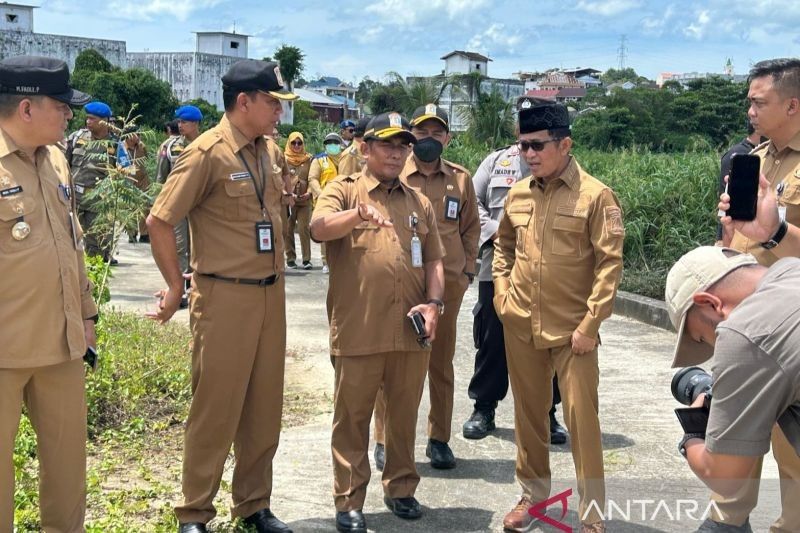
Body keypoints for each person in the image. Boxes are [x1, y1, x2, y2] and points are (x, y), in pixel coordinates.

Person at [146, 59, 298, 533]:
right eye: (272, 102)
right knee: (215, 408)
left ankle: (254, 504)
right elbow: (159, 221)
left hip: (271, 297)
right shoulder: (205, 153)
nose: (279, 112)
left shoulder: (268, 152)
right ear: (244, 102)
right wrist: (177, 286)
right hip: (224, 297)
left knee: (263, 407)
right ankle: (195, 512)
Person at [310, 111, 445, 533]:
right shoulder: (342, 190)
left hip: (409, 329)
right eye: (386, 144)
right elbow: (317, 228)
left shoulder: (417, 200)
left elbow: (436, 258)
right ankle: (349, 501)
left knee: (403, 416)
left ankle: (401, 489)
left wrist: (435, 304)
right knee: (352, 418)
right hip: (359, 328)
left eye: (403, 145)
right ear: (365, 148)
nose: (396, 152)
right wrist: (358, 216)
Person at [494, 102, 624, 533]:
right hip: (521, 323)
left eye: (537, 145)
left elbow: (610, 265)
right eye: (522, 146)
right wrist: (501, 295)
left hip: (574, 332)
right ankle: (533, 497)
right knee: (529, 418)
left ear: (565, 144)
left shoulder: (595, 195)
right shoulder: (517, 193)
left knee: (581, 421)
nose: (528, 154)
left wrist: (591, 325)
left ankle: (592, 515)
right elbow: (502, 248)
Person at [0, 55, 97, 532]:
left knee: (67, 470)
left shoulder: (55, 159)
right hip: (4, 349)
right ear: (26, 109)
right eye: (60, 106)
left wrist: (87, 315)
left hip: (61, 345)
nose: (69, 114)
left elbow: (71, 243)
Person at [713, 57, 800, 533]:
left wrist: (775, 232)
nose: (749, 109)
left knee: (792, 452)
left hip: (790, 336)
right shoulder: (757, 159)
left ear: (792, 104)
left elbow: (774, 234)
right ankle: (729, 520)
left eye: (758, 101)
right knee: (734, 438)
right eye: (748, 100)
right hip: (744, 328)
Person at [370, 104, 478, 471]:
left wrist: (467, 271)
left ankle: (438, 439)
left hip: (446, 289)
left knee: (440, 365)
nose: (429, 140)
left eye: (437, 133)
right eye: (422, 133)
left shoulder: (461, 180)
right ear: (410, 137)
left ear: (447, 138)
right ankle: (384, 438)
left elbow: (470, 229)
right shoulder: (397, 174)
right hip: (401, 284)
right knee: (391, 364)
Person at [464, 95, 568, 443]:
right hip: (498, 268)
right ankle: (484, 407)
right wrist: (500, 234)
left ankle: (547, 413)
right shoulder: (496, 163)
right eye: (522, 124)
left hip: (547, 273)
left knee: (546, 340)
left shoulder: (562, 168)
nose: (529, 146)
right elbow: (471, 204)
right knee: (493, 339)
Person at [666, 247, 800, 513]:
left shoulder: (743, 332)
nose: (715, 348)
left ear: (711, 303)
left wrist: (692, 432)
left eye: (703, 338)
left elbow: (726, 478)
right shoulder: (792, 269)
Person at [156, 105, 204, 308]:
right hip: (178, 207)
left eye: (185, 122)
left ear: (196, 124)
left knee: (201, 248)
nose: (180, 126)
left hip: (202, 207)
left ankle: (199, 289)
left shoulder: (208, 144)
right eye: (179, 122)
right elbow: (161, 177)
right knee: (180, 247)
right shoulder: (170, 146)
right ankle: (180, 290)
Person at [66, 99, 116, 263]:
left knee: (97, 245)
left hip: (99, 204)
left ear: (105, 121)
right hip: (74, 200)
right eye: (87, 118)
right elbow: (63, 164)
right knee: (71, 241)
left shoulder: (116, 145)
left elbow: (125, 175)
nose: (88, 122)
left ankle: (95, 282)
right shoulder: (76, 137)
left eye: (92, 119)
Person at [716, 121, 765, 242]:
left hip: (750, 233)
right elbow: (727, 195)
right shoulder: (736, 154)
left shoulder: (764, 154)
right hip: (730, 232)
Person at [308, 132, 344, 273]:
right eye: (329, 143)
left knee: (342, 231)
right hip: (324, 201)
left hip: (342, 200)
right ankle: (326, 261)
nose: (332, 145)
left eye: (335, 142)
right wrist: (321, 194)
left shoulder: (345, 158)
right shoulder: (319, 160)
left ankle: (340, 259)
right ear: (325, 145)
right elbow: (313, 179)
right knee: (325, 231)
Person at [282, 131, 313, 269]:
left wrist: (310, 192)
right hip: (289, 200)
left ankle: (306, 259)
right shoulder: (283, 158)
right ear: (289, 143)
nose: (296, 145)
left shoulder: (309, 159)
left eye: (299, 143)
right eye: (293, 143)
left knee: (303, 229)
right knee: (288, 229)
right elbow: (279, 178)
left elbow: (313, 178)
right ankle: (290, 258)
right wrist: (287, 193)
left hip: (304, 201)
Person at [118, 127, 150, 243]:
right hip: (128, 181)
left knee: (144, 206)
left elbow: (146, 159)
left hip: (143, 181)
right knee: (129, 207)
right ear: (129, 136)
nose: (139, 137)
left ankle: (144, 234)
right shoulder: (121, 148)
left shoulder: (142, 147)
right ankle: (131, 233)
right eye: (136, 134)